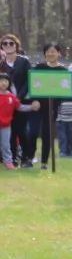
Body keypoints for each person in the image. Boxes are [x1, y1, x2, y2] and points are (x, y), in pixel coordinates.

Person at [0, 34, 31, 165]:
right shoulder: (1, 64)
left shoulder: (24, 61)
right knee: (9, 132)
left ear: (16, 45)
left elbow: (29, 81)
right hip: (5, 104)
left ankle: (26, 157)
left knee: (21, 130)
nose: (8, 45)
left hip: (21, 101)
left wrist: (18, 97)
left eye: (11, 43)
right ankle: (11, 159)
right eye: (5, 43)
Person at [0, 75, 17, 169]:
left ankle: (8, 162)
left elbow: (19, 106)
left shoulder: (11, 96)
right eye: (1, 81)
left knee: (6, 144)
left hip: (6, 125)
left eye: (6, 81)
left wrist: (31, 107)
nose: (3, 83)